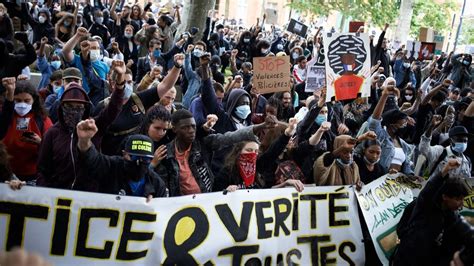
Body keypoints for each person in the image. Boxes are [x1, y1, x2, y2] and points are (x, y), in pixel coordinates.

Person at [36, 61, 127, 191]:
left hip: (88, 196)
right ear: (61, 107)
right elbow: (42, 169)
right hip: (58, 196)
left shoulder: (93, 127)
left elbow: (113, 108)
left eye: (79, 107)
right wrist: (45, 194)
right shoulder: (52, 133)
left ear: (86, 108)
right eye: (69, 107)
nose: (74, 111)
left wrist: (120, 81)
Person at [155, 109, 275, 197]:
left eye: (193, 126)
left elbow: (231, 137)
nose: (191, 131)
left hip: (208, 201)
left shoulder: (203, 143)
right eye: (185, 128)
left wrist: (262, 126)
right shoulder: (165, 153)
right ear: (174, 128)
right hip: (181, 207)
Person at [95, 54, 183, 156]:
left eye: (130, 82)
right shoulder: (103, 107)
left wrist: (177, 66)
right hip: (112, 161)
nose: (127, 86)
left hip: (138, 158)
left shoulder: (138, 100)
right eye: (124, 82)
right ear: (113, 84)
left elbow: (165, 85)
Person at [393, 158, 474, 266]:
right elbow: (430, 188)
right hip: (407, 257)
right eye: (458, 199)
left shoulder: (451, 216)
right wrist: (445, 170)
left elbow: (464, 232)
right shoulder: (425, 204)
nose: (461, 204)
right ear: (445, 197)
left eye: (463, 199)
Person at [76, 119, 167, 200]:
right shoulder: (111, 167)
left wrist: (154, 205)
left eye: (145, 159)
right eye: (134, 157)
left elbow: (163, 211)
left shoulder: (157, 184)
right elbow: (92, 159)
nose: (139, 162)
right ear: (124, 154)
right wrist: (84, 140)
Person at [0, 78, 53, 181]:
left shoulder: (42, 120)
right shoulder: (4, 117)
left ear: (34, 100)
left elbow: (53, 149)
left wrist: (41, 143)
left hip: (32, 176)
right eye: (18, 100)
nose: (22, 104)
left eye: (27, 101)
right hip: (5, 174)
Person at [367, 82, 415, 175]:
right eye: (402, 124)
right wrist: (384, 95)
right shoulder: (380, 136)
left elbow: (407, 167)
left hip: (396, 185)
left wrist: (411, 176)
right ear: (392, 124)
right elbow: (374, 121)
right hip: (380, 180)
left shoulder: (404, 145)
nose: (404, 127)